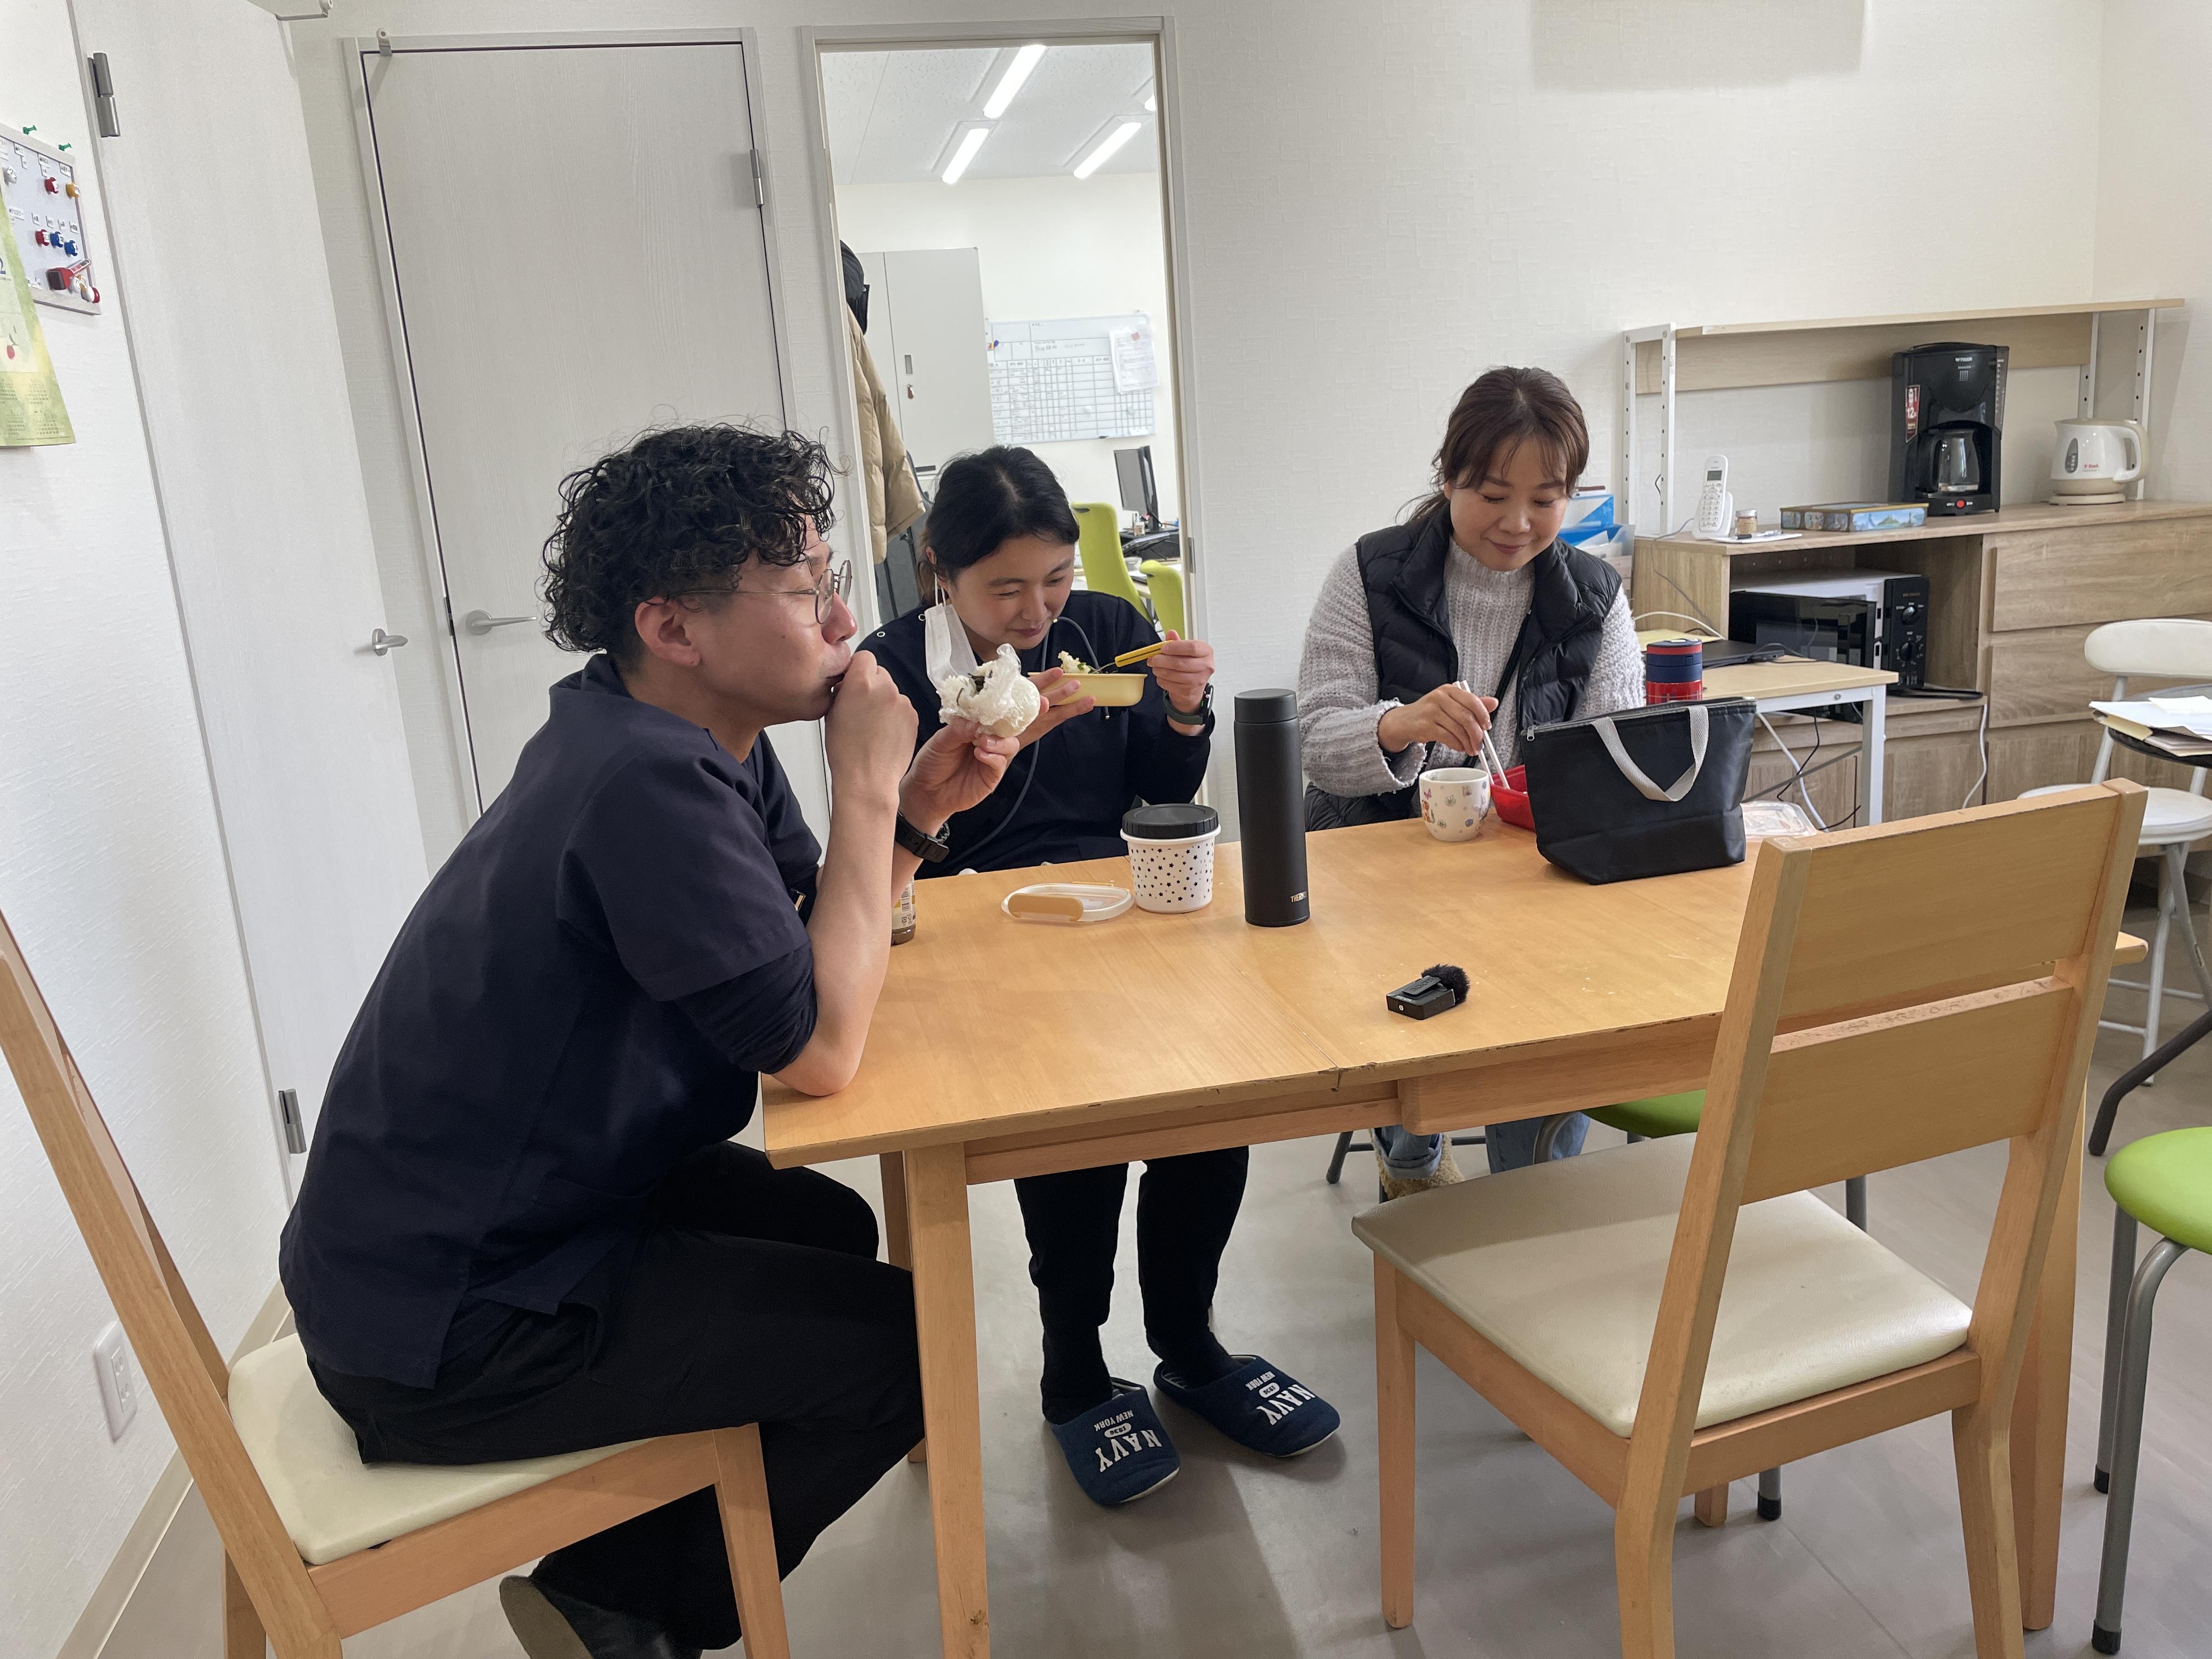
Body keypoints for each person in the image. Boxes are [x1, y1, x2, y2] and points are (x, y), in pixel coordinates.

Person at [278, 425, 1020, 1659]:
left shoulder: (672, 735)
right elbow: (819, 1050)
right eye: (807, 592)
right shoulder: (646, 785)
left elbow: (809, 940)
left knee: (828, 1226)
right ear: (675, 627)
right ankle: (619, 1600)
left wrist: (908, 815)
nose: (846, 622)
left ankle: (673, 1529)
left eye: (835, 580)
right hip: (447, 1327)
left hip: (484, 1227)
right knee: (905, 1350)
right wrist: (868, 789)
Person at [864, 445, 1340, 1505]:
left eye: (1056, 578)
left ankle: (1188, 1343)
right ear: (942, 569)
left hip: (1125, 907)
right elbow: (888, 847)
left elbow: (1159, 791)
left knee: (1209, 1114)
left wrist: (1182, 712)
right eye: (1006, 588)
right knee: (1073, 1151)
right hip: (978, 929)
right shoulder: (888, 670)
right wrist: (985, 740)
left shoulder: (1109, 626)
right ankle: (1073, 1369)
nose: (1038, 611)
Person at [1296, 367, 1644, 1200]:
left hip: (1528, 870)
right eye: (1492, 496)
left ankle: (1531, 1189)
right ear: (1448, 477)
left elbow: (1620, 753)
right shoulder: (1370, 574)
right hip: (1384, 866)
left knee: (1557, 982)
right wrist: (1402, 724)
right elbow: (1316, 739)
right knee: (1402, 963)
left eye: (1546, 500)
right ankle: (1411, 1159)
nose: (1518, 524)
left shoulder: (1595, 597)